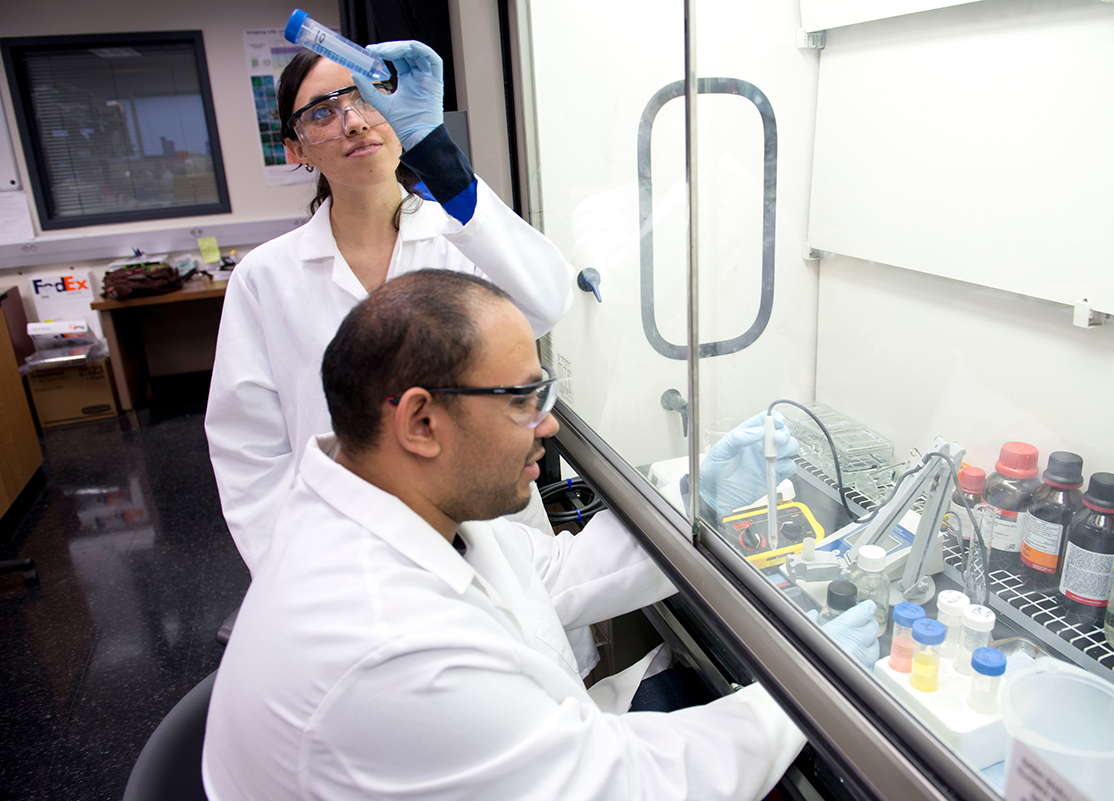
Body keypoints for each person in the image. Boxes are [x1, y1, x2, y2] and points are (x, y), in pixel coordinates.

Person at [202, 270, 879, 801]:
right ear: (421, 423)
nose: (547, 424)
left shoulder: (384, 504)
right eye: (522, 400)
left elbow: (553, 572)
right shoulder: (392, 648)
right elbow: (632, 785)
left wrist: (697, 501)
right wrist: (807, 696)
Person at [205, 41, 573, 577]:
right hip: (343, 554)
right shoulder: (264, 278)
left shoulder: (462, 235)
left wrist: (439, 154)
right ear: (295, 149)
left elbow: (545, 301)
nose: (353, 122)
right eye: (322, 112)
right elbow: (248, 453)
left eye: (367, 98)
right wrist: (290, 572)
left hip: (492, 538)